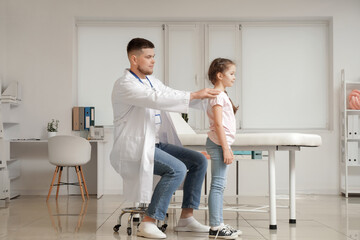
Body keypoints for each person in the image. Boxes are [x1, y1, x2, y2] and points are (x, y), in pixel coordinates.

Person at [110, 38, 220, 239]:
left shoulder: (152, 82)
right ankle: (149, 222)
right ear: (134, 59)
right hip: (134, 147)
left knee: (198, 161)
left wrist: (209, 99)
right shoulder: (124, 84)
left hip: (155, 144)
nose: (153, 61)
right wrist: (195, 95)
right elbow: (156, 99)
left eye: (154, 57)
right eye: (148, 57)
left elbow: (171, 94)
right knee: (176, 169)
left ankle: (186, 219)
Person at [205, 58, 243, 239]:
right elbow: (219, 125)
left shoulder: (221, 95)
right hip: (219, 143)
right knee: (218, 185)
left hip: (220, 143)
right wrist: (226, 148)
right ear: (220, 75)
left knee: (219, 185)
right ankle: (216, 226)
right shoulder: (218, 96)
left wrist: (226, 146)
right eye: (232, 73)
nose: (234, 77)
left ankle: (217, 224)